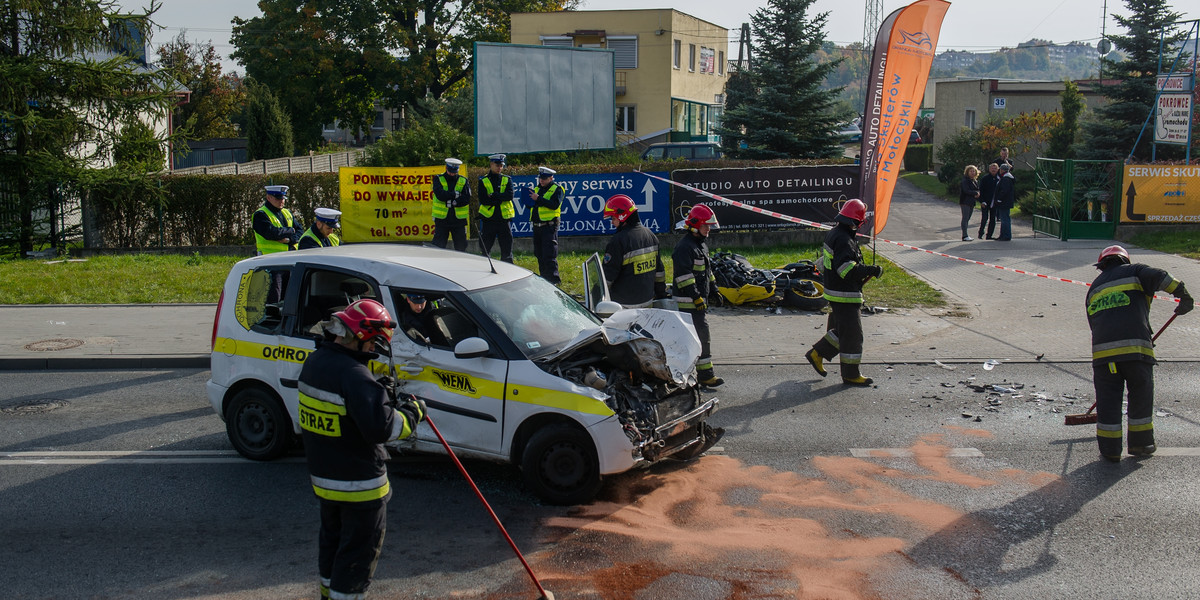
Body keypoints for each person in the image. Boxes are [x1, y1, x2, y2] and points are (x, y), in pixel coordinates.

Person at [296, 299, 427, 600]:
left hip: (325, 483)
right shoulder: (356, 378)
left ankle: (328, 595)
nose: (373, 353)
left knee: (332, 545)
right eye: (372, 346)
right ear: (361, 337)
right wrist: (412, 413)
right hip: (361, 489)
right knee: (356, 558)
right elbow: (385, 430)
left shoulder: (314, 364)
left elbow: (342, 412)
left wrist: (374, 394)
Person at [1085, 245, 1192, 462]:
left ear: (1102, 265)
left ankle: (1110, 449)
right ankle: (1141, 444)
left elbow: (1093, 324)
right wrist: (1183, 295)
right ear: (1124, 260)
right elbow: (1162, 277)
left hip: (1104, 357)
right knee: (1140, 396)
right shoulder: (1136, 272)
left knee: (1108, 400)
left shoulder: (1093, 289)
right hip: (1135, 352)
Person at [804, 199, 883, 386]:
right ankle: (850, 374)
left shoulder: (836, 233)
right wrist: (870, 270)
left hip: (836, 292)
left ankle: (818, 353)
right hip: (844, 294)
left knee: (841, 332)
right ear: (856, 221)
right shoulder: (844, 239)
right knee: (853, 336)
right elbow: (846, 270)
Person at [672, 204, 724, 388]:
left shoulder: (700, 245)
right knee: (697, 338)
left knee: (702, 338)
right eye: (705, 226)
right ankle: (701, 375)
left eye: (709, 226)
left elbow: (706, 272)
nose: (708, 229)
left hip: (698, 302)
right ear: (694, 226)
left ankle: (703, 375)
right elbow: (684, 276)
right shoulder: (684, 248)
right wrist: (696, 297)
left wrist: (714, 288)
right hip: (688, 304)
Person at [602, 194, 666, 308]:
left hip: (624, 308)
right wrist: (661, 295)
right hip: (648, 303)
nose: (612, 222)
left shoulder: (617, 241)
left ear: (622, 217)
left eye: (613, 218)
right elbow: (659, 272)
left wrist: (599, 298)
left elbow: (607, 277)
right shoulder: (651, 235)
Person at [527, 166, 564, 285]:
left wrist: (538, 199)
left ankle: (554, 280)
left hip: (549, 226)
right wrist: (529, 201)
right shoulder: (537, 189)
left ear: (551, 178)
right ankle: (544, 279)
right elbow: (532, 205)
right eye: (540, 178)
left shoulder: (557, 189)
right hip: (537, 226)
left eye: (544, 178)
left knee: (549, 254)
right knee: (539, 253)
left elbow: (554, 205)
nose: (541, 181)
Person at [477, 153, 515, 263]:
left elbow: (509, 196)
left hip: (504, 220)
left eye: (501, 166)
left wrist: (494, 195)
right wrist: (500, 198)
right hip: (489, 220)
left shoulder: (507, 179)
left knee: (507, 250)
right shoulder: (483, 180)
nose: (499, 168)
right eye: (497, 165)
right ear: (491, 164)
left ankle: (508, 270)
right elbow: (483, 200)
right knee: (485, 250)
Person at [431, 158, 471, 251]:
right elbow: (440, 195)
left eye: (454, 172)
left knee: (461, 246)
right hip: (442, 219)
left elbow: (466, 198)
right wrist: (455, 194)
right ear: (446, 168)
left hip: (458, 220)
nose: (452, 174)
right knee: (438, 246)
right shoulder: (438, 178)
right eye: (450, 171)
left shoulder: (463, 180)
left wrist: (454, 202)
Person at [253, 185, 302, 255]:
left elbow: (300, 230)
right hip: (269, 257)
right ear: (269, 198)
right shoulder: (260, 214)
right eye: (278, 199)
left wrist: (290, 240)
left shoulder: (287, 212)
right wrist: (291, 230)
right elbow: (271, 233)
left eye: (283, 199)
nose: (281, 201)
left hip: (291, 255)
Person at [993, 163, 1016, 241]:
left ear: (1002, 170)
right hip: (1006, 202)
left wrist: (999, 199)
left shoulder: (1005, 179)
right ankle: (1003, 235)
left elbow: (1004, 191)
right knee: (1005, 218)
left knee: (1004, 219)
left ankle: (1006, 235)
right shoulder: (1007, 178)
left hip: (1004, 202)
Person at [977, 163, 1000, 240]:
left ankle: (989, 235)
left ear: (998, 169)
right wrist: (982, 201)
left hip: (994, 203)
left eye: (995, 168)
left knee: (993, 219)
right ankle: (980, 234)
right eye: (992, 168)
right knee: (984, 218)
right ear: (989, 169)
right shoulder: (985, 178)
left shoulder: (999, 179)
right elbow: (981, 190)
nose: (994, 170)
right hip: (985, 202)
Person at [958, 165, 980, 241]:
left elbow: (977, 189)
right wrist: (975, 193)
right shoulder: (965, 181)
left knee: (968, 218)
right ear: (967, 172)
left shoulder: (975, 181)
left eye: (974, 171)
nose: (973, 173)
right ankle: (964, 235)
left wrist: (977, 194)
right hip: (965, 201)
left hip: (971, 202)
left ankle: (966, 234)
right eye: (971, 171)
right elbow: (966, 190)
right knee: (965, 218)